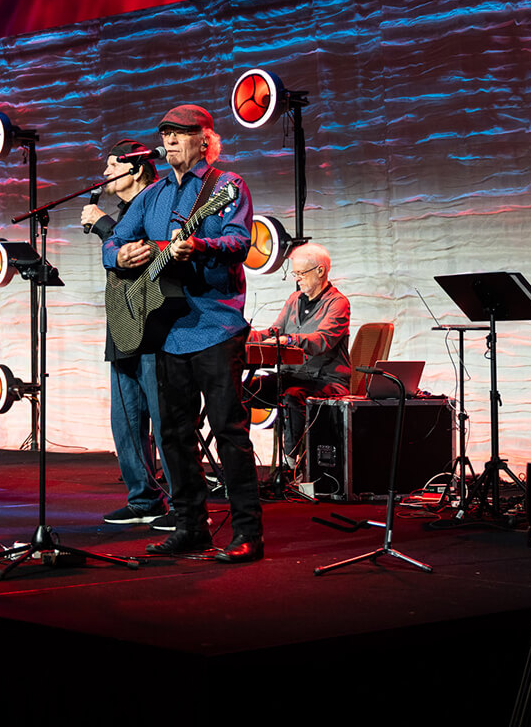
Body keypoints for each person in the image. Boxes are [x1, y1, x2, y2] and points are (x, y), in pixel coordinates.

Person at [104, 105, 264, 563]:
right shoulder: (151, 196)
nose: (170, 141)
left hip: (214, 325)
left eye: (181, 134)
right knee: (175, 435)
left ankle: (247, 532)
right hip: (166, 330)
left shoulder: (226, 187)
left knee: (230, 431)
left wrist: (199, 246)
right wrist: (122, 255)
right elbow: (113, 241)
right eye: (166, 134)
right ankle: (191, 526)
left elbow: (238, 243)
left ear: (204, 140)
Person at [82, 139, 169, 525]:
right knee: (126, 421)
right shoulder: (123, 212)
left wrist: (103, 225)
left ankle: (182, 504)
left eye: (112, 165)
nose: (104, 174)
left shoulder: (159, 202)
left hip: (155, 325)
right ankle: (143, 499)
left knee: (165, 421)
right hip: (123, 325)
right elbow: (116, 259)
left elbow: (144, 254)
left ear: (135, 169)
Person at [255, 242, 351, 465]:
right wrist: (244, 337)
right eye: (294, 273)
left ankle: (290, 465)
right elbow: (273, 331)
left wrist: (290, 339)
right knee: (243, 391)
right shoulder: (294, 300)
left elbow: (322, 340)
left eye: (300, 273)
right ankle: (236, 463)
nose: (296, 278)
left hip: (326, 381)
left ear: (320, 270)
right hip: (292, 376)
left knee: (293, 395)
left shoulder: (338, 304)